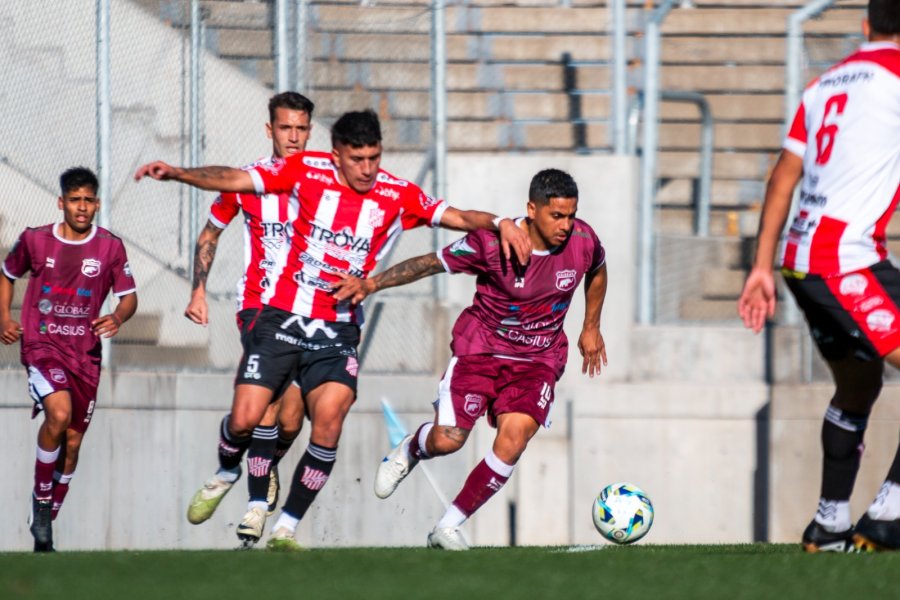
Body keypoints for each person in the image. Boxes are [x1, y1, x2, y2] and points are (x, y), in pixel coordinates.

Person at [134, 109, 532, 551]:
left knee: (327, 422)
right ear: (337, 155)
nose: (367, 168)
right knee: (247, 418)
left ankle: (285, 527)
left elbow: (457, 216)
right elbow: (234, 179)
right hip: (282, 316)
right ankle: (229, 468)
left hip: (338, 329)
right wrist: (177, 174)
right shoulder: (307, 170)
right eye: (357, 158)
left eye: (374, 158)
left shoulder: (397, 194)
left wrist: (501, 222)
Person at [331, 168, 607, 550]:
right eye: (556, 215)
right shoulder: (492, 244)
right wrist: (373, 283)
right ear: (531, 209)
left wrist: (590, 325)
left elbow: (597, 270)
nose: (566, 225)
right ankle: (411, 448)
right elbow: (430, 262)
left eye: (571, 214)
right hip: (481, 352)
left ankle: (447, 526)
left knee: (514, 438)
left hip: (537, 359)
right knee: (448, 441)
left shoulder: (582, 239)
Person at [738, 0, 899, 553]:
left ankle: (828, 523)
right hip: (845, 259)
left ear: (865, 25)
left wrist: (760, 265)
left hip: (798, 258)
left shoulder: (825, 82)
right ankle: (887, 515)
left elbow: (784, 173)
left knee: (859, 384)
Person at [182, 92, 314, 547]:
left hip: (311, 310)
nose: (293, 137)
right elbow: (211, 231)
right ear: (269, 130)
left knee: (293, 421)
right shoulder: (248, 181)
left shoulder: (325, 181)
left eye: (301, 128)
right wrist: (198, 288)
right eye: (285, 128)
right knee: (269, 406)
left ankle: (253, 463)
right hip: (259, 306)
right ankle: (256, 506)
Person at [0, 167, 138, 552]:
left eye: (88, 200)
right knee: (57, 416)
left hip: (85, 355)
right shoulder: (35, 240)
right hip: (43, 347)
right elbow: (6, 273)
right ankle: (41, 502)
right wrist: (4, 318)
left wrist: (117, 316)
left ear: (97, 204)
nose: (81, 207)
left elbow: (128, 296)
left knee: (73, 444)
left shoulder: (110, 247)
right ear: (61, 202)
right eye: (74, 200)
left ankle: (45, 522)